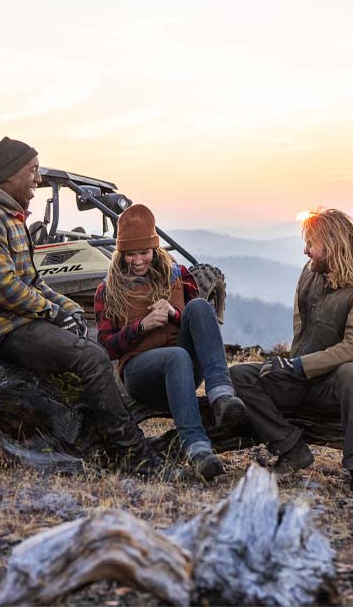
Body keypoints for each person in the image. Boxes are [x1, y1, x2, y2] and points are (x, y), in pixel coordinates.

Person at [0, 137, 167, 477]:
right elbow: (2, 288)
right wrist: (53, 314)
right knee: (91, 357)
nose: (38, 179)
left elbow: (33, 282)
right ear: (10, 174)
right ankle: (134, 456)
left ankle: (94, 433)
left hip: (16, 320)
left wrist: (69, 310)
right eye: (32, 171)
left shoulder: (10, 217)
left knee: (88, 346)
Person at [230, 208, 353, 496]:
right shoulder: (310, 273)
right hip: (299, 377)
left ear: (333, 244)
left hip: (333, 387)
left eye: (312, 243)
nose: (305, 250)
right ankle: (291, 448)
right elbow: (300, 324)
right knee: (239, 376)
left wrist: (301, 366)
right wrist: (290, 366)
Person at [94, 204, 246, 481]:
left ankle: (222, 396)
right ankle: (198, 449)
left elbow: (196, 323)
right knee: (176, 356)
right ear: (120, 253)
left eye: (144, 252)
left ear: (155, 248)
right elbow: (105, 346)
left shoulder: (180, 275)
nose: (137, 260)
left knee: (200, 307)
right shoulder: (108, 289)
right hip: (140, 374)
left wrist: (175, 314)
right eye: (130, 254)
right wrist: (141, 327)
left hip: (185, 369)